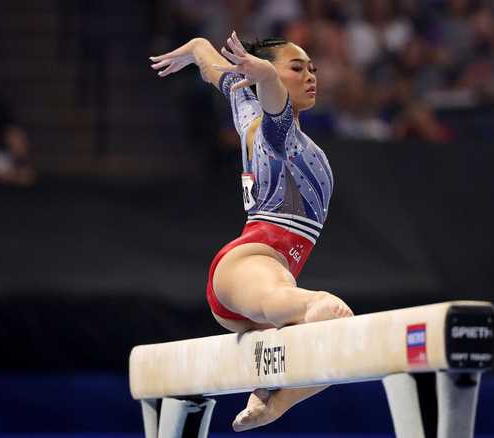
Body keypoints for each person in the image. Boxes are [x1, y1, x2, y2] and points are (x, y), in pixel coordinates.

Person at [150, 31, 353, 431]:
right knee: (331, 314)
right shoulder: (279, 136)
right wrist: (266, 78)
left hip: (257, 286)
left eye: (313, 68)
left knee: (333, 339)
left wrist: (196, 48)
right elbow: (273, 102)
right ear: (266, 77)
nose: (311, 75)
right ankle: (275, 402)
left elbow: (219, 75)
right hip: (253, 263)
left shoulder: (248, 110)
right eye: (297, 68)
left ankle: (272, 400)